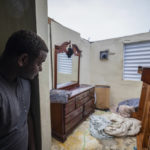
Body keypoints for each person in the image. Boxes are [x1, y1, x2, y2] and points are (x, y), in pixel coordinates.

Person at [0, 30, 48, 150]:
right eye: (39, 63)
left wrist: (32, 147)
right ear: (23, 60)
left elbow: (27, 117)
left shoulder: (25, 81)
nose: (40, 69)